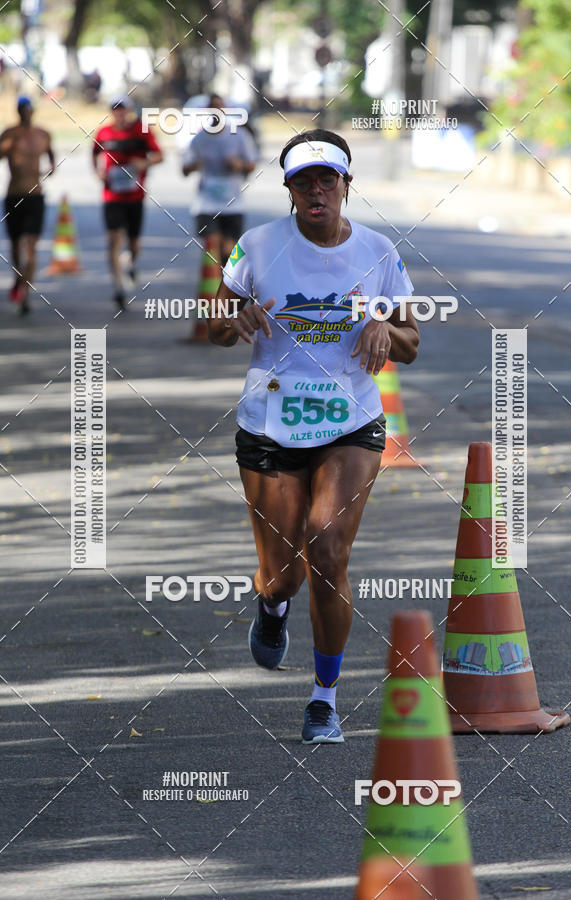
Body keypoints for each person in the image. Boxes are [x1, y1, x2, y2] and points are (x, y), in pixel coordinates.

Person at [208, 129, 419, 743]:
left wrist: (384, 327)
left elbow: (410, 342)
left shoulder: (379, 252)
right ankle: (272, 605)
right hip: (271, 424)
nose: (317, 190)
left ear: (347, 185)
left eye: (328, 178)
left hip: (350, 422)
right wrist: (234, 317)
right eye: (304, 180)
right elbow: (217, 325)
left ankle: (324, 699)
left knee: (327, 551)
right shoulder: (258, 246)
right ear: (290, 190)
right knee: (284, 573)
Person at [92, 95, 163, 311]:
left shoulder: (141, 131)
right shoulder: (103, 133)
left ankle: (131, 261)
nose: (119, 113)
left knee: (134, 243)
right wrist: (98, 173)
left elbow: (159, 155)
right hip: (112, 196)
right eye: (115, 109)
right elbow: (94, 154)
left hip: (135, 197)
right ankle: (118, 288)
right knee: (114, 240)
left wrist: (144, 162)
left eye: (122, 109)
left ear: (129, 110)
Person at [182, 93, 257, 271]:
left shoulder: (239, 135)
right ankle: (213, 293)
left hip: (233, 202)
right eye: (213, 108)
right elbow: (184, 169)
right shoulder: (199, 139)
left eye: (220, 108)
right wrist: (194, 165)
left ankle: (232, 286)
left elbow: (252, 164)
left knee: (230, 251)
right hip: (206, 203)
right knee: (212, 247)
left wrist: (239, 164)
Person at [0, 96, 55, 315]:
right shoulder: (10, 133)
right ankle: (17, 277)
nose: (27, 113)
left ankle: (26, 295)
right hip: (14, 195)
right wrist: (9, 146)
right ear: (18, 111)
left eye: (29, 109)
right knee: (15, 245)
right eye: (23, 109)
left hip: (35, 196)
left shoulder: (43, 135)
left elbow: (52, 159)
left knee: (30, 247)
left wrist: (48, 170)